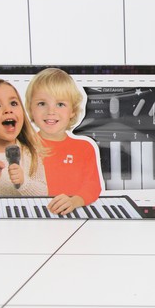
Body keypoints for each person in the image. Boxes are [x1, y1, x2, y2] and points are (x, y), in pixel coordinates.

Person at [25, 68, 103, 215]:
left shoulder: (84, 148)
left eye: (60, 104)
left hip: (74, 215)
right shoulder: (23, 146)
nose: (51, 111)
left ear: (72, 110)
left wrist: (75, 201)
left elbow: (92, 186)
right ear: (31, 108)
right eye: (42, 103)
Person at [0, 78, 47, 196]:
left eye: (13, 103)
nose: (8, 110)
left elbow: (43, 192)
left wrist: (24, 182)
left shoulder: (30, 153)